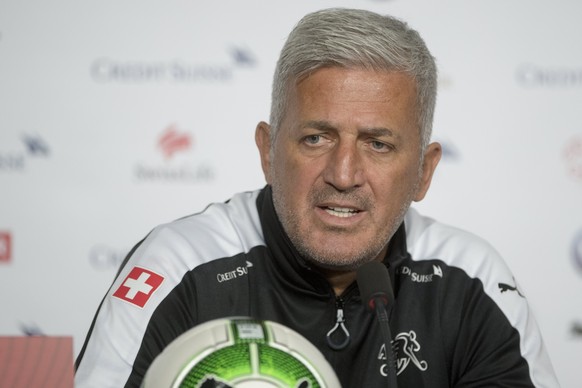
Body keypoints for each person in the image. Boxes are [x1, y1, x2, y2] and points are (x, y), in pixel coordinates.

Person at [75, 8, 559, 387]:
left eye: (378, 144)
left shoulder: (470, 279)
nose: (344, 175)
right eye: (316, 138)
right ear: (267, 150)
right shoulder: (181, 268)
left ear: (423, 172)